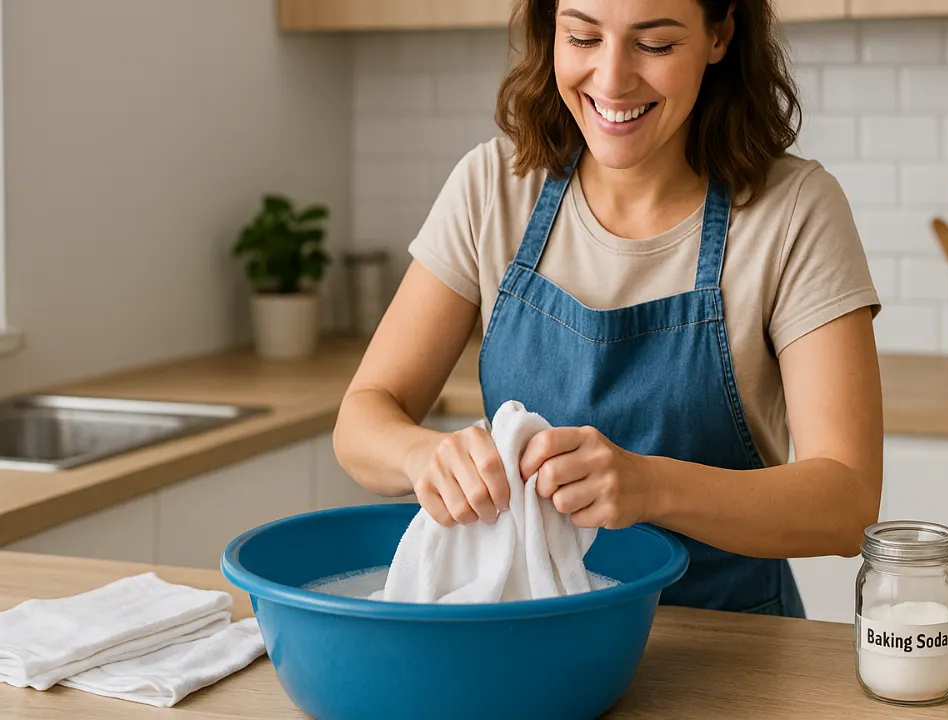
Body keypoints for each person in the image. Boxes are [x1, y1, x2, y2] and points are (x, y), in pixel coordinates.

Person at [333, 0, 884, 619]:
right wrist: (422, 456)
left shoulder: (794, 212)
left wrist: (652, 486)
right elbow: (361, 419)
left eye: (654, 45)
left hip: (731, 650)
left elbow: (846, 502)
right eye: (583, 37)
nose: (612, 79)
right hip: (532, 643)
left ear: (720, 34)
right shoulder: (492, 188)